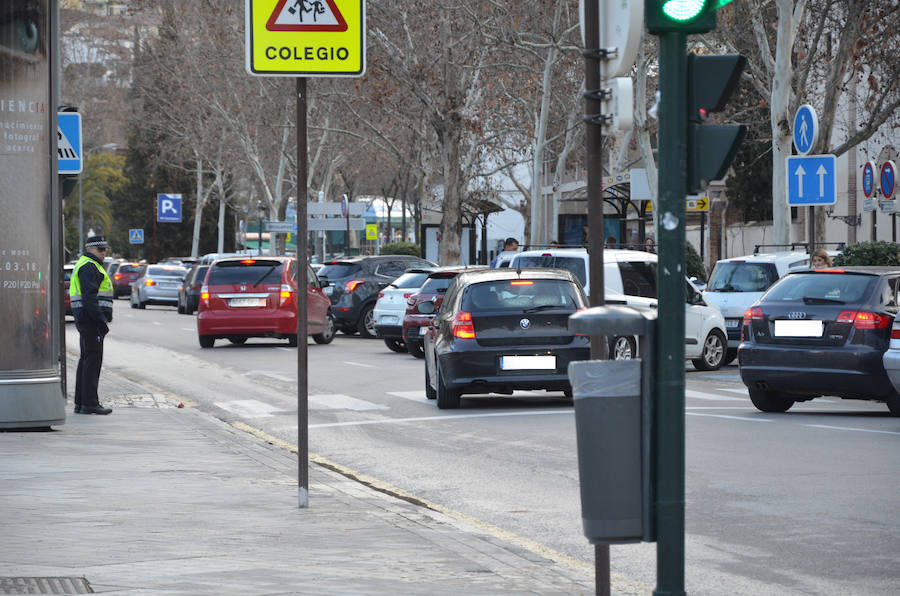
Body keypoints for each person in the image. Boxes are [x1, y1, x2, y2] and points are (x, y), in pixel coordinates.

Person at [70, 235, 115, 415]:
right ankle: (89, 403)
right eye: (100, 249)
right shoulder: (89, 266)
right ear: (90, 249)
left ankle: (81, 403)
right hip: (91, 320)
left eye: (105, 249)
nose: (103, 253)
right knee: (93, 361)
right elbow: (90, 297)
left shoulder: (87, 264)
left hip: (86, 319)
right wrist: (101, 321)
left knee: (86, 360)